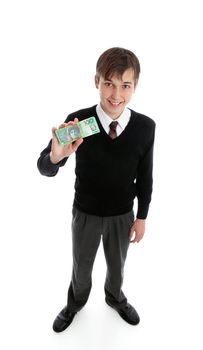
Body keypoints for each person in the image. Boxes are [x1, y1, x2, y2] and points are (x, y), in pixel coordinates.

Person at [37, 47, 156, 332]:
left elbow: (146, 176)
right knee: (81, 267)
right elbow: (44, 166)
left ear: (135, 87)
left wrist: (142, 217)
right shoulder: (80, 123)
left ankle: (115, 298)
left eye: (125, 86)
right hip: (86, 214)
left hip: (122, 215)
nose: (116, 95)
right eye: (109, 84)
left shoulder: (145, 127)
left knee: (117, 267)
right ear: (96, 82)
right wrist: (56, 156)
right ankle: (75, 304)